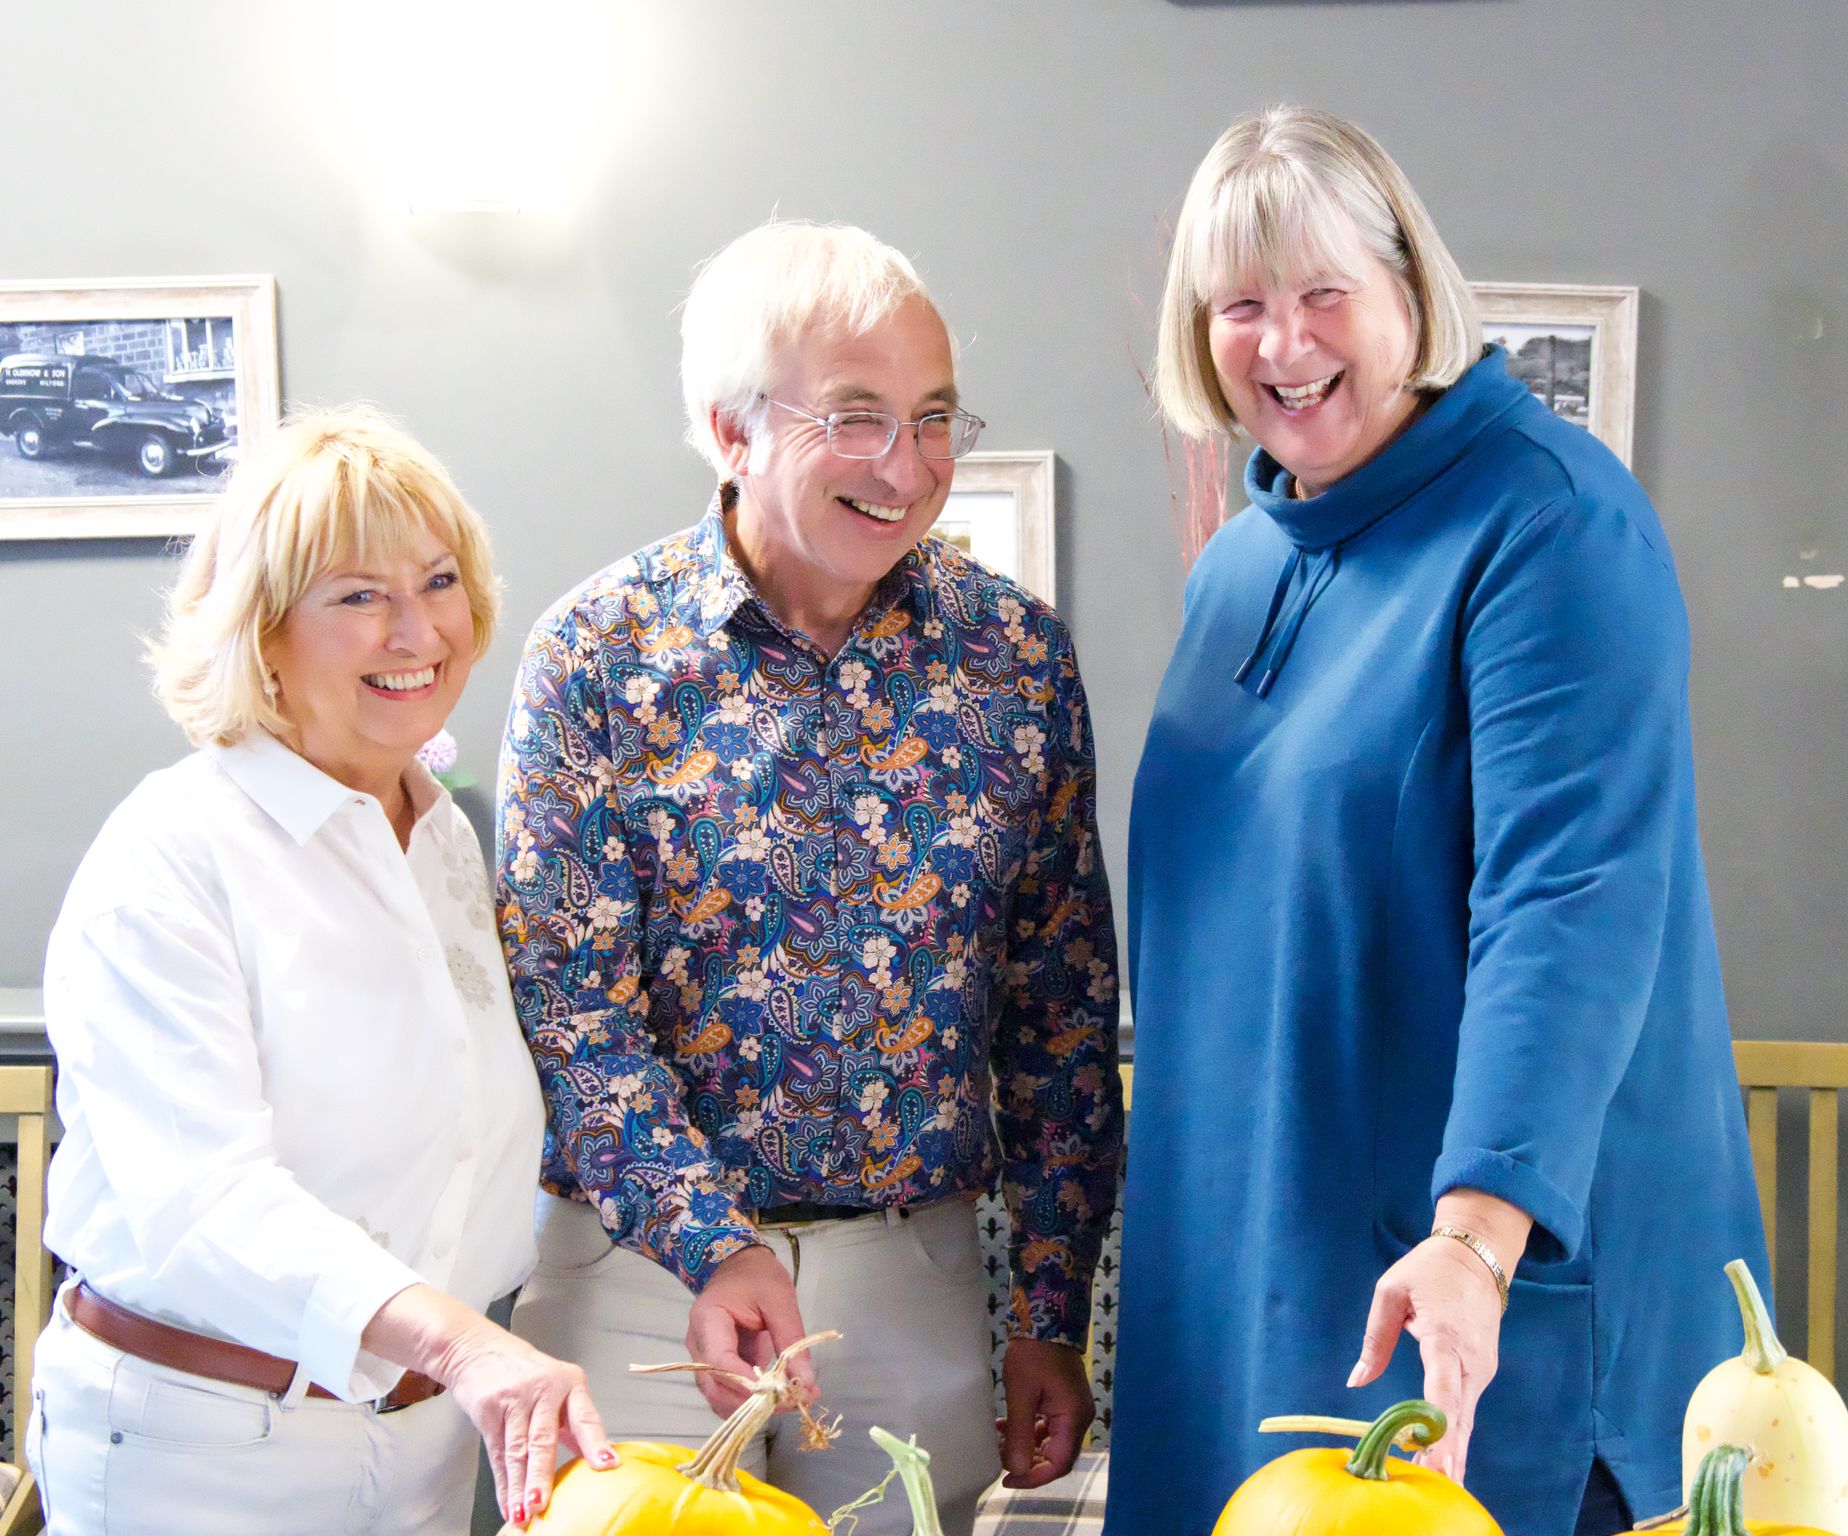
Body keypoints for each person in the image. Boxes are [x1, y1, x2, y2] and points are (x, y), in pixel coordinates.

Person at [1106, 107, 1770, 1536]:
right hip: (1249, 1277)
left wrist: (1474, 1235)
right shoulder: (1237, 566)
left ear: (1410, 287)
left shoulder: (1552, 522)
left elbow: (1568, 903)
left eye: (1322, 291)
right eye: (1240, 306)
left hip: (1470, 1269)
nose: (1283, 344)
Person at [498, 219, 1123, 1535]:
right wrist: (710, 1239)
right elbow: (571, 1009)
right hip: (640, 1275)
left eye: (933, 416)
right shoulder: (594, 656)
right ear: (729, 431)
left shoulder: (1015, 661)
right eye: (855, 417)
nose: (907, 464)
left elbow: (1057, 1014)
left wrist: (1048, 1314)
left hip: (912, 1276)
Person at [31, 409, 615, 1536]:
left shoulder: (441, 837)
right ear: (260, 631)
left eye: (438, 581)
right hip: (204, 1449)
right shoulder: (171, 854)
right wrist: (466, 1344)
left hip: (424, 1444)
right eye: (357, 596)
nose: (419, 631)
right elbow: (202, 1201)